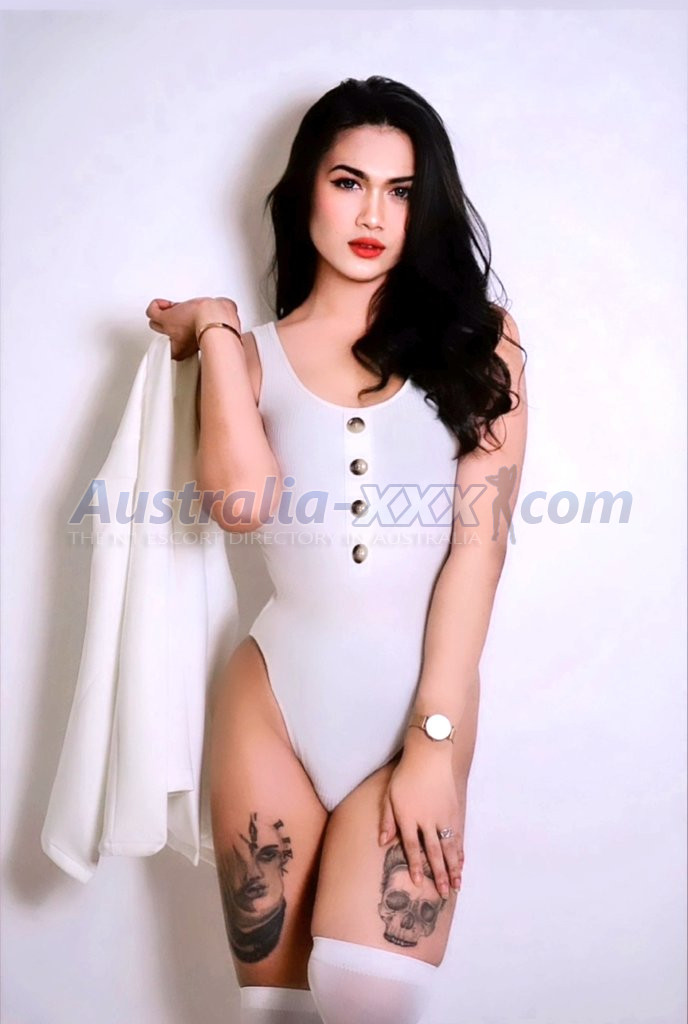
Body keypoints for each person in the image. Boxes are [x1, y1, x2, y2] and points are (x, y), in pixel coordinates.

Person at [145, 75, 528, 1024]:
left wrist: (433, 743)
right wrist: (218, 331)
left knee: (369, 998)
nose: (372, 215)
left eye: (401, 192)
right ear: (303, 191)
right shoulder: (254, 354)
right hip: (270, 705)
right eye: (349, 181)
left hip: (419, 712)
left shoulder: (483, 347)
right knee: (271, 1012)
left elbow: (478, 555)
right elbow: (240, 507)